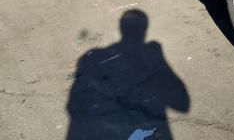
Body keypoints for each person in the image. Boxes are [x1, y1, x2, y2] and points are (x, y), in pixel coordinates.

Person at [66, 10, 189, 139]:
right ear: (145, 30)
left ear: (121, 28)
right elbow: (182, 105)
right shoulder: (150, 54)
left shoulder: (94, 58)